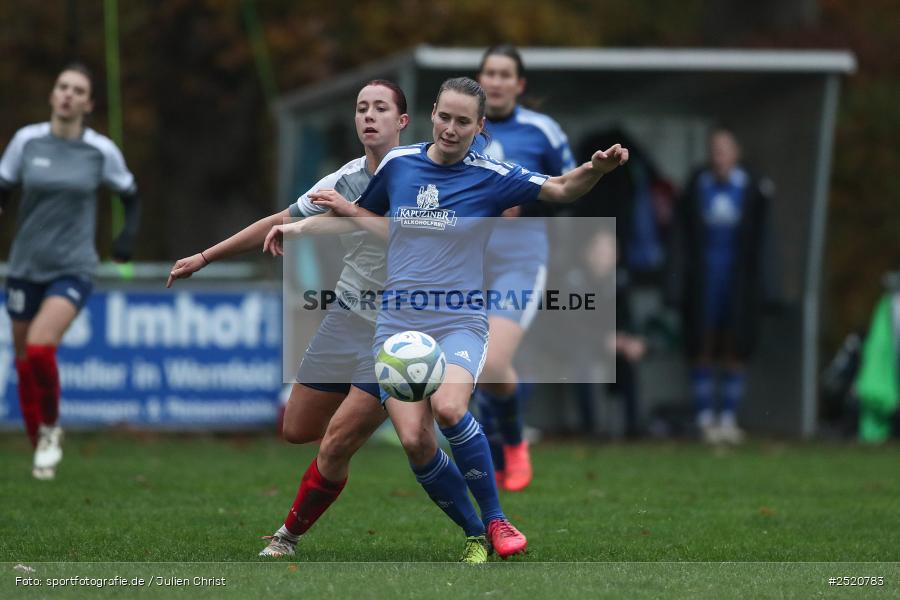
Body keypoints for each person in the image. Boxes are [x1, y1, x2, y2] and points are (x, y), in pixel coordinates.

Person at [311, 77, 627, 563]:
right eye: (444, 117)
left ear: (480, 127)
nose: (451, 129)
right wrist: (307, 223)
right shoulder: (399, 164)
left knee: (451, 410)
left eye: (464, 122)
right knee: (415, 440)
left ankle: (498, 520)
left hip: (459, 321)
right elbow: (374, 220)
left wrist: (595, 169)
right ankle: (474, 531)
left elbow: (562, 188)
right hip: (396, 327)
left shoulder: (492, 175)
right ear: (432, 113)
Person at [167, 80, 407, 558]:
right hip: (347, 317)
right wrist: (204, 257)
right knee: (297, 428)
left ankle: (287, 536)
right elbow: (277, 220)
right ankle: (372, 418)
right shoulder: (343, 178)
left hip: (398, 329)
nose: (369, 116)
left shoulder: (422, 173)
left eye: (381, 107)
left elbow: (427, 235)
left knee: (338, 441)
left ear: (402, 120)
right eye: (362, 108)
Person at [0, 64, 140, 480]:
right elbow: (4, 188)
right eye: (62, 87)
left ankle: (50, 429)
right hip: (26, 264)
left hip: (73, 266)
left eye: (77, 91)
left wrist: (125, 239)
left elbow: (130, 196)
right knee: (25, 360)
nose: (67, 95)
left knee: (42, 347)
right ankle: (39, 439)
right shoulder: (26, 141)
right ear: (52, 94)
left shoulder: (100, 150)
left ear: (88, 103)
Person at [473, 44, 576, 491]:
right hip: (464, 262)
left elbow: (570, 187)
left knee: (493, 362)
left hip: (520, 258)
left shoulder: (543, 131)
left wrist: (524, 202)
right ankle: (494, 458)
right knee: (470, 372)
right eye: (488, 73)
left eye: (504, 74)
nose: (495, 81)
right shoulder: (458, 127)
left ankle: (514, 441)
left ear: (519, 84)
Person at [669, 127, 772, 444]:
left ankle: (727, 417)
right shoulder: (696, 186)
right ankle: (705, 418)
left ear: (736, 152)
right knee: (702, 343)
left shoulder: (753, 188)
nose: (719, 154)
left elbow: (764, 241)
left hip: (738, 282)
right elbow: (680, 239)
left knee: (735, 344)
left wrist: (768, 286)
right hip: (703, 280)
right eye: (714, 148)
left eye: (725, 148)